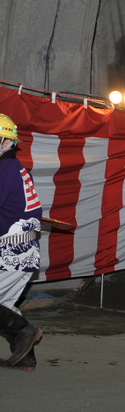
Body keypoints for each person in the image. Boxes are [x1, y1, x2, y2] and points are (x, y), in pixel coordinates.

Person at [0, 113, 43, 371]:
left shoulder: (3, 170)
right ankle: (25, 357)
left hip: (12, 251)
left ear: (6, 141)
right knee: (4, 306)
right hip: (25, 250)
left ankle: (26, 331)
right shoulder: (18, 169)